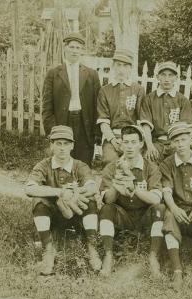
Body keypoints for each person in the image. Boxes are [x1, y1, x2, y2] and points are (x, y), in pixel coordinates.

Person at [25, 125, 101, 276]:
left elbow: (92, 186)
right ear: (51, 145)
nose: (62, 148)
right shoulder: (43, 165)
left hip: (76, 214)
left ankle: (92, 246)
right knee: (39, 201)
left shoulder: (79, 165)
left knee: (91, 201)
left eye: (66, 144)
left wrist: (76, 193)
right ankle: (48, 248)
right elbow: (29, 189)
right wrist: (59, 192)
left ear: (72, 145)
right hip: (54, 217)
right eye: (58, 143)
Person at [97, 125, 165, 277]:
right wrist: (116, 187)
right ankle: (108, 255)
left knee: (160, 209)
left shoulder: (151, 168)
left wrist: (135, 190)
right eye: (126, 142)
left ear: (141, 144)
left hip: (144, 216)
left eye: (134, 142)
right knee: (106, 209)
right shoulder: (111, 167)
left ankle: (153, 257)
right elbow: (107, 200)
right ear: (120, 144)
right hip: (123, 216)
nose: (129, 147)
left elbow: (155, 198)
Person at [159, 121, 192, 290]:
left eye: (183, 139)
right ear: (171, 144)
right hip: (178, 208)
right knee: (168, 217)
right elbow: (166, 191)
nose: (180, 144)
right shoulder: (167, 164)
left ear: (191, 139)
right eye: (176, 141)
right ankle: (177, 271)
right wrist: (174, 208)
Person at [42, 32, 101, 166]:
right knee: (62, 158)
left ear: (82, 51)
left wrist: (96, 132)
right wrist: (51, 130)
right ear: (65, 48)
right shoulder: (54, 73)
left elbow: (97, 105)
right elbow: (47, 105)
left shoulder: (92, 74)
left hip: (83, 121)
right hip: (63, 121)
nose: (75, 51)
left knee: (83, 161)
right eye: (72, 47)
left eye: (78, 48)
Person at [138, 61, 192, 163]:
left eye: (170, 75)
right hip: (157, 143)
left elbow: (189, 128)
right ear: (157, 77)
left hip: (176, 143)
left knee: (181, 165)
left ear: (175, 78)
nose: (167, 79)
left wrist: (182, 146)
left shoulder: (182, 100)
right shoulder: (149, 99)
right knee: (148, 162)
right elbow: (145, 126)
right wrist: (150, 146)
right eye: (163, 75)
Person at [96, 49, 146, 165]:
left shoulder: (138, 89)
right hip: (113, 137)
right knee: (110, 161)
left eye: (125, 66)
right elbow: (103, 121)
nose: (121, 69)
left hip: (133, 137)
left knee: (136, 163)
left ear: (130, 68)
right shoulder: (105, 91)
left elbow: (142, 120)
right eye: (118, 65)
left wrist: (132, 141)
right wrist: (113, 140)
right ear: (113, 66)